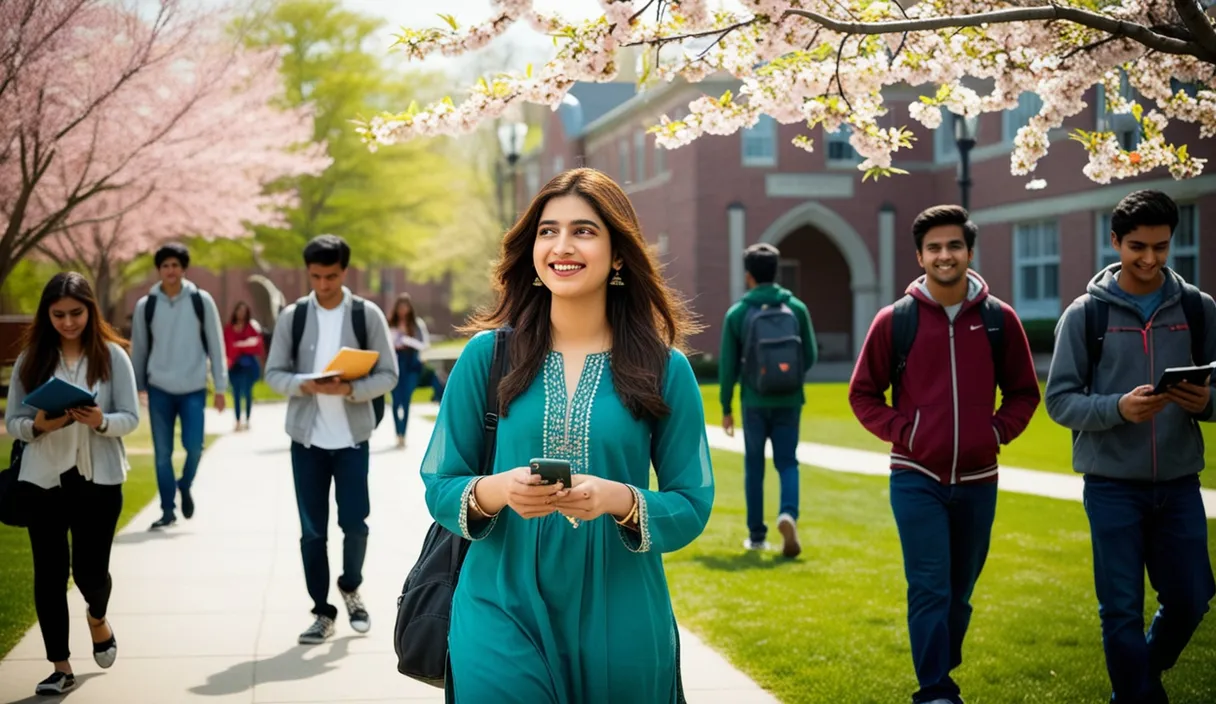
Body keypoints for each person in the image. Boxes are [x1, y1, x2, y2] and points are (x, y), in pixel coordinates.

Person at [420, 167, 714, 703]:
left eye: (584, 230)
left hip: (621, 609)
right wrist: (498, 489)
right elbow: (440, 483)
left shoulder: (664, 369)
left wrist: (619, 499)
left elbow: (692, 502)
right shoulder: (486, 359)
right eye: (548, 230)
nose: (562, 245)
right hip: (499, 601)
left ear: (618, 253)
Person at [848, 205, 1041, 704]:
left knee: (959, 593)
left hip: (979, 477)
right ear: (920, 256)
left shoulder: (1000, 319)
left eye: (954, 245)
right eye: (934, 247)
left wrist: (996, 431)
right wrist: (906, 432)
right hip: (916, 476)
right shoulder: (896, 321)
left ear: (969, 252)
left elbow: (1024, 392)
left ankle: (941, 661)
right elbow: (863, 394)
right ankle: (934, 689)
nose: (944, 255)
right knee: (929, 585)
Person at [1044, 189, 1216, 704]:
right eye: (1137, 246)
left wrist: (1203, 403)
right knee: (1120, 609)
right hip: (1111, 487)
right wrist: (1117, 408)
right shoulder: (1085, 315)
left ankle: (1138, 684)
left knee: (1192, 599)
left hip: (1181, 486)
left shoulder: (1199, 309)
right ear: (1114, 241)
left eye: (1161, 247)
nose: (1149, 259)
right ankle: (1139, 696)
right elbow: (1059, 402)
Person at [4, 272, 140, 696]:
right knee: (49, 574)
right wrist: (38, 426)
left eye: (76, 313)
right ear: (47, 315)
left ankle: (97, 618)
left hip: (98, 480)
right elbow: (14, 423)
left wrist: (101, 421)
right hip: (43, 479)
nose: (67, 322)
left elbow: (131, 418)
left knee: (89, 573)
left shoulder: (113, 357)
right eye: (58, 314)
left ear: (90, 310)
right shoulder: (31, 358)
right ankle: (59, 666)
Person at [264, 234, 398, 645]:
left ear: (345, 271)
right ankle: (322, 612)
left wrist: (349, 390)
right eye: (317, 276)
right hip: (306, 442)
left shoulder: (366, 315)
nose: (323, 285)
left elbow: (388, 374)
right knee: (312, 533)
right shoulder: (294, 317)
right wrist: (307, 385)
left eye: (332, 276)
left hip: (353, 439)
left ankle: (351, 585)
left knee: (355, 524)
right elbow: (273, 374)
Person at [717, 242, 817, 557]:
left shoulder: (738, 313)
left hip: (754, 402)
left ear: (748, 276)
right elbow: (810, 355)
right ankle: (788, 513)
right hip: (789, 401)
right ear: (776, 271)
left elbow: (728, 366)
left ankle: (757, 536)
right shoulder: (797, 308)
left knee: (754, 467)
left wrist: (726, 407)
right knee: (788, 462)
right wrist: (787, 378)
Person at [129, 242, 227, 529]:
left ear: (184, 268)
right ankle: (167, 510)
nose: (170, 270)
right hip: (159, 387)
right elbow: (140, 350)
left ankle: (184, 484)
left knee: (195, 447)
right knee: (162, 454)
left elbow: (216, 345)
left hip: (194, 387)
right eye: (165, 266)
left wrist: (220, 388)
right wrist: (136, 387)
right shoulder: (146, 306)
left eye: (175, 265)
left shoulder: (201, 300)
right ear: (159, 270)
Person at [387, 293, 430, 448]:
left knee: (406, 401)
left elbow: (425, 344)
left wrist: (407, 339)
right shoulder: (390, 323)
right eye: (400, 306)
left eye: (405, 306)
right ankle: (397, 432)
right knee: (395, 401)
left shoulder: (417, 324)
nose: (403, 309)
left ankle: (403, 435)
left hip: (411, 364)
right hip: (395, 364)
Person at [224, 301, 265, 432]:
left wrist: (239, 346)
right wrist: (244, 345)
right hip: (234, 366)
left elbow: (257, 344)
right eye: (239, 310)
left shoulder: (251, 327)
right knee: (235, 394)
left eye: (244, 311)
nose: (241, 313)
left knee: (247, 393)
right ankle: (237, 421)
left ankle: (247, 419)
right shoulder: (229, 328)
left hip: (248, 367)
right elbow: (227, 346)